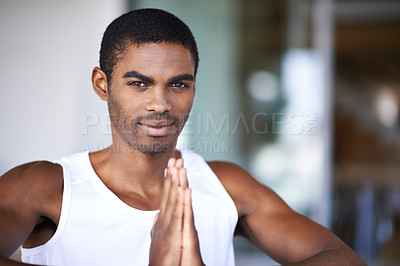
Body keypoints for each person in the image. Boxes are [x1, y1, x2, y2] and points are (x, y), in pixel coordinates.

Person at [0, 8, 365, 266]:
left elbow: (344, 260)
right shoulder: (46, 186)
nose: (160, 104)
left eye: (178, 84)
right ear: (102, 85)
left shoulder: (226, 184)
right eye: (139, 83)